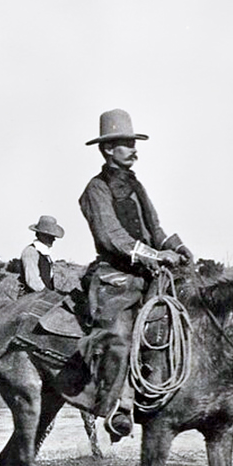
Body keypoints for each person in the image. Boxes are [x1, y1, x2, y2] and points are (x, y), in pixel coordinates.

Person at [77, 110, 193, 440]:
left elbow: (153, 227)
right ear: (107, 150)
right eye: (126, 145)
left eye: (132, 143)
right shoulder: (95, 190)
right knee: (121, 336)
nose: (133, 150)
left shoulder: (136, 186)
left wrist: (177, 247)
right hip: (115, 279)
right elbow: (111, 236)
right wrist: (156, 255)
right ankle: (120, 407)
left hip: (147, 276)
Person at [19, 215, 65, 294]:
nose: (53, 239)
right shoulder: (31, 252)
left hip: (43, 296)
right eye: (50, 236)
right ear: (41, 235)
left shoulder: (44, 254)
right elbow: (33, 282)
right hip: (32, 299)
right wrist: (50, 295)